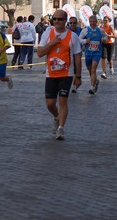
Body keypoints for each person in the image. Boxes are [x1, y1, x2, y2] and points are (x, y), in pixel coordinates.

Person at [37, 9, 82, 141]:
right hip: (51, 74)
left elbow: (78, 57)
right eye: (54, 19)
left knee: (63, 101)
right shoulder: (47, 34)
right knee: (50, 104)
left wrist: (78, 76)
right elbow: (39, 53)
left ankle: (61, 128)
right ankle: (56, 116)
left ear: (65, 21)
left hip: (66, 74)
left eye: (60, 19)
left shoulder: (72, 36)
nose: (56, 21)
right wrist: (52, 42)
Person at [78, 15, 103, 94]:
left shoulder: (100, 31)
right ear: (89, 22)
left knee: (93, 70)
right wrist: (85, 41)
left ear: (97, 22)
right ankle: (95, 81)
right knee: (90, 70)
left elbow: (106, 37)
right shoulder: (85, 30)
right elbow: (79, 39)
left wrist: (104, 39)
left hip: (97, 53)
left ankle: (92, 87)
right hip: (88, 53)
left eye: (94, 22)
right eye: (91, 22)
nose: (92, 23)